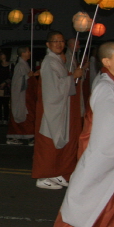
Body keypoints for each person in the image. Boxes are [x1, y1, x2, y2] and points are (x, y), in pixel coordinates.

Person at [42, 41, 114, 227]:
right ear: (106, 61)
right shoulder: (105, 88)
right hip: (105, 163)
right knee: (82, 214)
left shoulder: (113, 87)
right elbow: (111, 130)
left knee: (112, 217)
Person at [32, 31, 84, 189]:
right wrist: (72, 77)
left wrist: (71, 77)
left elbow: (61, 83)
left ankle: (55, 173)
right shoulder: (49, 61)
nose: (59, 44)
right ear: (48, 44)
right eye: (55, 41)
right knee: (48, 143)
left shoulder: (57, 60)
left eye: (61, 41)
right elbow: (54, 88)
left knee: (59, 142)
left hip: (59, 107)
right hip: (50, 109)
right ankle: (42, 176)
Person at [6, 47, 37, 145]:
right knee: (26, 116)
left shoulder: (24, 64)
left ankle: (24, 136)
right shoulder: (20, 65)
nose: (30, 53)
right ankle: (29, 137)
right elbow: (17, 82)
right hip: (22, 97)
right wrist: (29, 76)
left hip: (27, 96)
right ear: (23, 53)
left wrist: (31, 75)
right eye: (28, 51)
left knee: (28, 115)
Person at [0, 51, 13, 125]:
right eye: (0, 55)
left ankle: (6, 119)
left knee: (6, 103)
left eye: (2, 54)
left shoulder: (11, 65)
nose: (1, 56)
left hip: (6, 87)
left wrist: (5, 83)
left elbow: (11, 76)